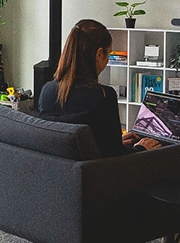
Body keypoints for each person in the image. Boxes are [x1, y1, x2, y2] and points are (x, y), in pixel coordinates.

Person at [36, 19, 160, 158]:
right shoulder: (103, 96)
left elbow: (76, 143)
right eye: (109, 53)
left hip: (64, 172)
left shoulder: (48, 90)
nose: (107, 60)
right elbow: (117, 158)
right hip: (100, 176)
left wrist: (115, 142)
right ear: (99, 54)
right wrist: (141, 148)